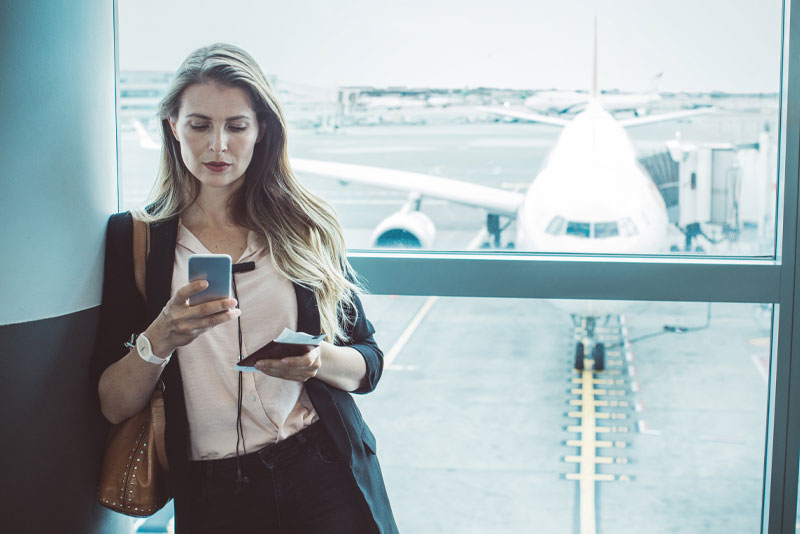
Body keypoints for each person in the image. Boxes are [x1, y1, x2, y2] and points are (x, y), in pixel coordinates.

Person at [90, 43, 397, 534]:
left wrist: (317, 361)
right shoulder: (135, 239)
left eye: (236, 126)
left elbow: (370, 363)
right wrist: (162, 336)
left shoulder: (303, 225)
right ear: (172, 126)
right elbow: (112, 403)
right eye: (199, 125)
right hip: (214, 490)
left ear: (261, 131)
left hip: (323, 468)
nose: (218, 147)